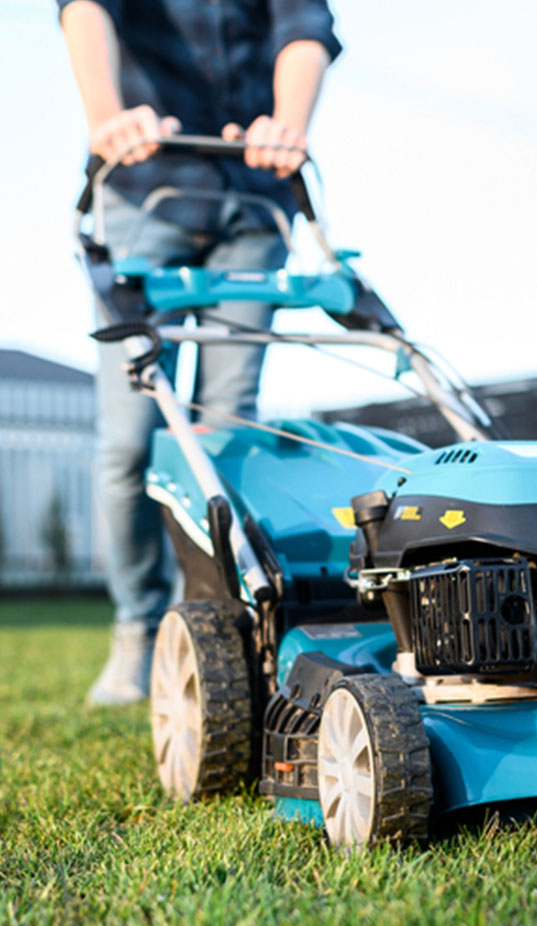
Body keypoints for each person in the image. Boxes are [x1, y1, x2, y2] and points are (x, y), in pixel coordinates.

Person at [57, 0, 341, 704]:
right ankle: (137, 629)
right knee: (129, 439)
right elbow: (85, 8)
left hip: (252, 201)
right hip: (143, 192)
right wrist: (107, 118)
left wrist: (289, 123)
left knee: (228, 429)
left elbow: (304, 31)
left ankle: (223, 626)